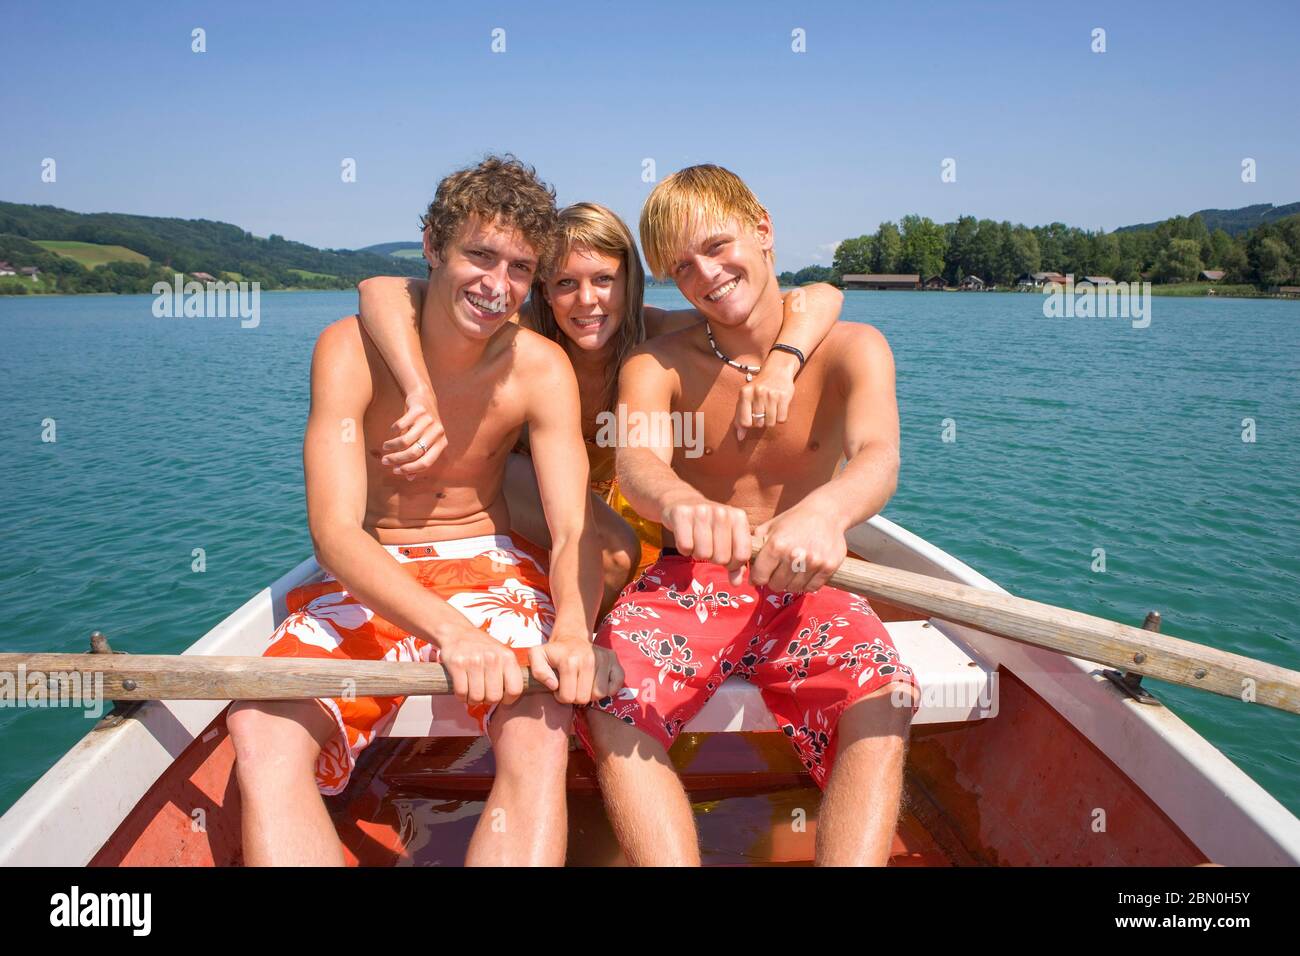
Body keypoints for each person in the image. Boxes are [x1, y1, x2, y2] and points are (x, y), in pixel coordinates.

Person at [226, 155, 622, 866]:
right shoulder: (348, 350)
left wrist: (570, 627)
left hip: (491, 568)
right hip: (371, 576)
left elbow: (569, 530)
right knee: (262, 726)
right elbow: (335, 533)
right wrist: (449, 633)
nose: (498, 286)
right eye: (480, 255)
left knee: (540, 729)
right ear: (434, 248)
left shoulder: (538, 367)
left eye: (521, 269)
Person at [579, 164, 921, 866]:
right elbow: (640, 464)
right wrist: (683, 504)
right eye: (682, 265)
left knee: (883, 695)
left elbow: (876, 457)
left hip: (811, 582)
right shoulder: (658, 363)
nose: (706, 273)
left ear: (762, 229)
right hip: (691, 583)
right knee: (609, 699)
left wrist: (824, 514)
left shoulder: (854, 349)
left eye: (717, 245)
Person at [354, 203, 843, 600]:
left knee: (648, 552)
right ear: (544, 290)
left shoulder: (659, 336)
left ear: (630, 281)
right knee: (612, 548)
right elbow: (380, 290)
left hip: (621, 490)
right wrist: (419, 387)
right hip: (526, 486)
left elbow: (818, 296)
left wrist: (782, 363)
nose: (586, 301)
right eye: (565, 283)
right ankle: (578, 659)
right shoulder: (518, 337)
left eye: (603, 279)